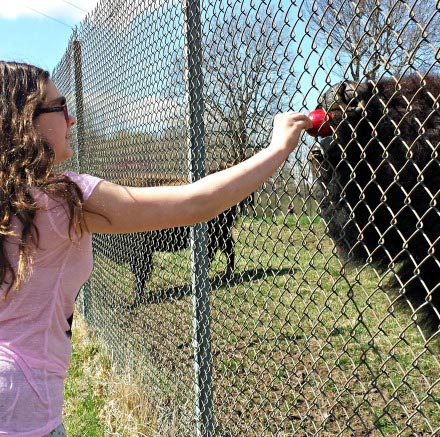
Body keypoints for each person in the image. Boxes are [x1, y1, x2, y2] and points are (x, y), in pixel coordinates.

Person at [0, 61, 312, 436]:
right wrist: (278, 148)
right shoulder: (60, 199)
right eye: (60, 108)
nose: (73, 121)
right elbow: (197, 204)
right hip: (23, 404)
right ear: (24, 121)